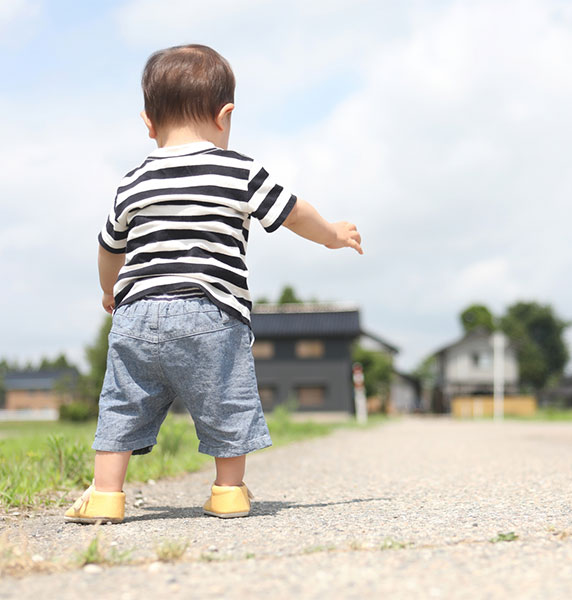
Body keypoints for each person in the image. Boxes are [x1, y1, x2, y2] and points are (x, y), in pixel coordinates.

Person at [65, 44, 362, 524]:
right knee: (226, 397)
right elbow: (293, 212)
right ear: (226, 115)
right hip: (211, 311)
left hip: (136, 314)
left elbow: (108, 247)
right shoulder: (237, 170)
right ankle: (227, 491)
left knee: (121, 402)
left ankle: (105, 495)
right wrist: (331, 235)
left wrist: (109, 290)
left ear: (148, 123)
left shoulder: (132, 181)